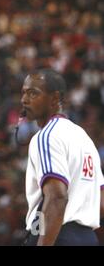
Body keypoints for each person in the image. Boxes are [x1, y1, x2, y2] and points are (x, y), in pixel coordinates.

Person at [20, 69, 104, 246]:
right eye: (24, 93)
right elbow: (101, 203)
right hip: (87, 237)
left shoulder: (46, 136)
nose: (24, 100)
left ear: (54, 98)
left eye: (33, 93)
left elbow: (57, 197)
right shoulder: (84, 138)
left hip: (56, 234)